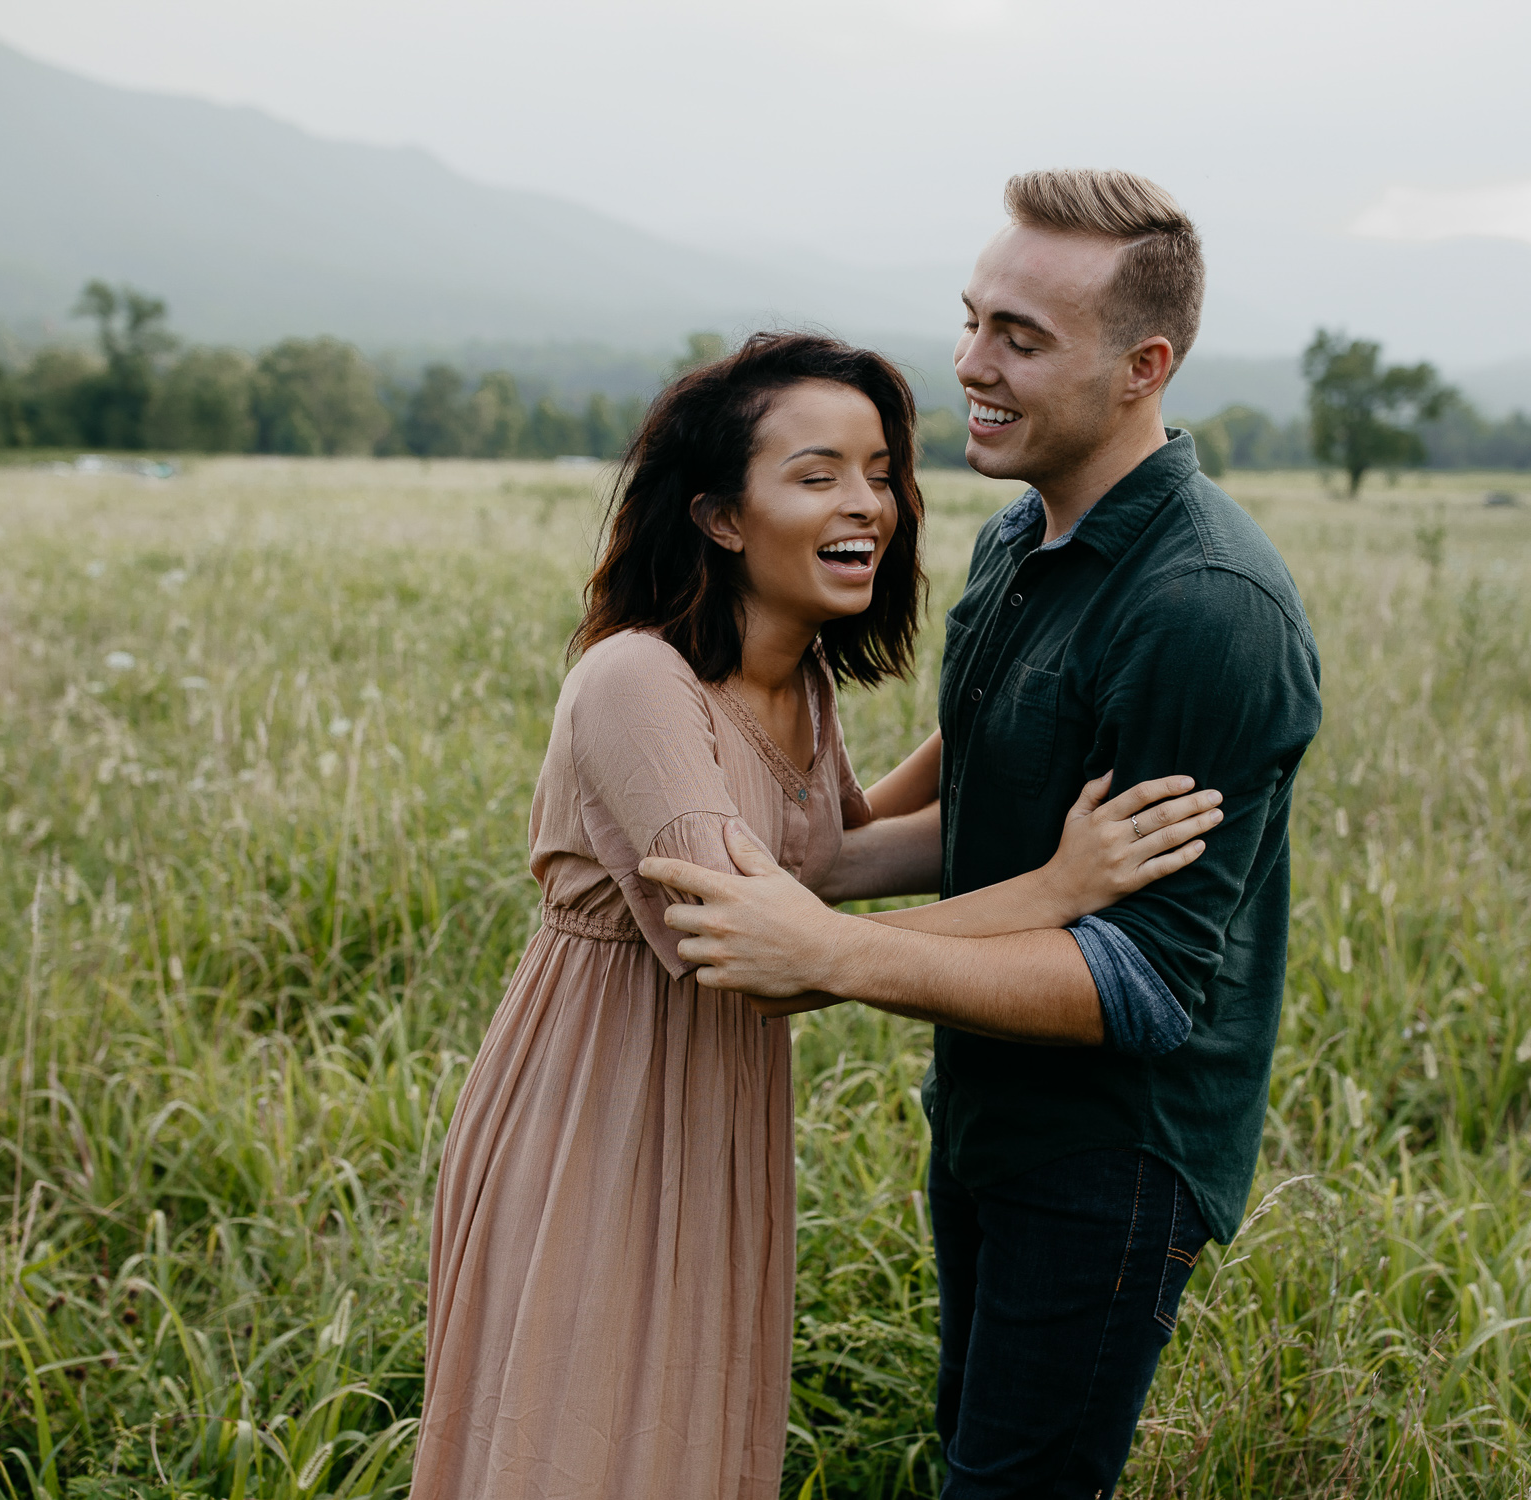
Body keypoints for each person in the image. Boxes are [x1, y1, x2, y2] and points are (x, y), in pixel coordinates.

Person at [410, 331, 1224, 1500]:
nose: (868, 504)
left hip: (717, 1109)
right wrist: (1053, 893)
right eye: (817, 474)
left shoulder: (798, 679)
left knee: (687, 1429)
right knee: (583, 1447)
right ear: (721, 518)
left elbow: (827, 864)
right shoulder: (638, 680)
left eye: (882, 470)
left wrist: (1048, 748)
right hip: (597, 1104)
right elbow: (760, 949)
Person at [641, 170, 1324, 1498]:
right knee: (971, 1450)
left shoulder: (1204, 607)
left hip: (1108, 1151)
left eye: (1018, 337)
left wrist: (831, 949)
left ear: (1143, 367)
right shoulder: (1024, 533)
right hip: (989, 1101)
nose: (966, 365)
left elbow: (1139, 982)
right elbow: (998, 798)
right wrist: (832, 860)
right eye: (970, 321)